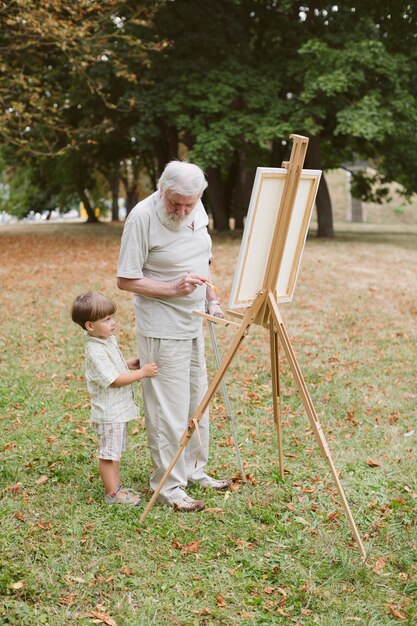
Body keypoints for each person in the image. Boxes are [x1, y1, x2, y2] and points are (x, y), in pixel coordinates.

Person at [117, 160, 231, 512]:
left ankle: (195, 469)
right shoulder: (142, 217)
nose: (182, 211)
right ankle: (169, 486)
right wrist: (171, 288)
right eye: (175, 203)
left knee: (198, 400)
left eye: (189, 204)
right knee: (168, 409)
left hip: (194, 321)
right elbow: (126, 279)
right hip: (162, 327)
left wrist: (212, 298)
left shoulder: (196, 209)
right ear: (161, 189)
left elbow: (204, 259)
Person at [71, 291, 158, 506]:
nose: (113, 323)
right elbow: (114, 380)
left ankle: (116, 487)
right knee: (108, 454)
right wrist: (142, 373)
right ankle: (111, 493)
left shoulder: (106, 340)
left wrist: (129, 364)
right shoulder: (95, 349)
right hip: (109, 412)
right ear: (90, 326)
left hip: (118, 410)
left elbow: (114, 367)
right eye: (107, 319)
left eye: (112, 317)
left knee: (115, 452)